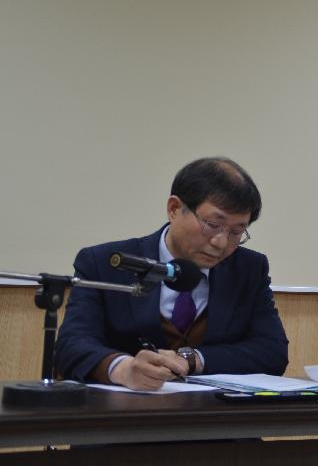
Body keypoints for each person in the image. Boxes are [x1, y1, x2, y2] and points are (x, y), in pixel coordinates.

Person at [55, 157, 289, 390]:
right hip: (123, 408)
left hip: (216, 410)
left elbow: (272, 351)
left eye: (236, 232)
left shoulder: (249, 268)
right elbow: (71, 346)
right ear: (174, 209)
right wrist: (123, 369)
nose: (221, 242)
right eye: (213, 224)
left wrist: (193, 359)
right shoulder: (105, 263)